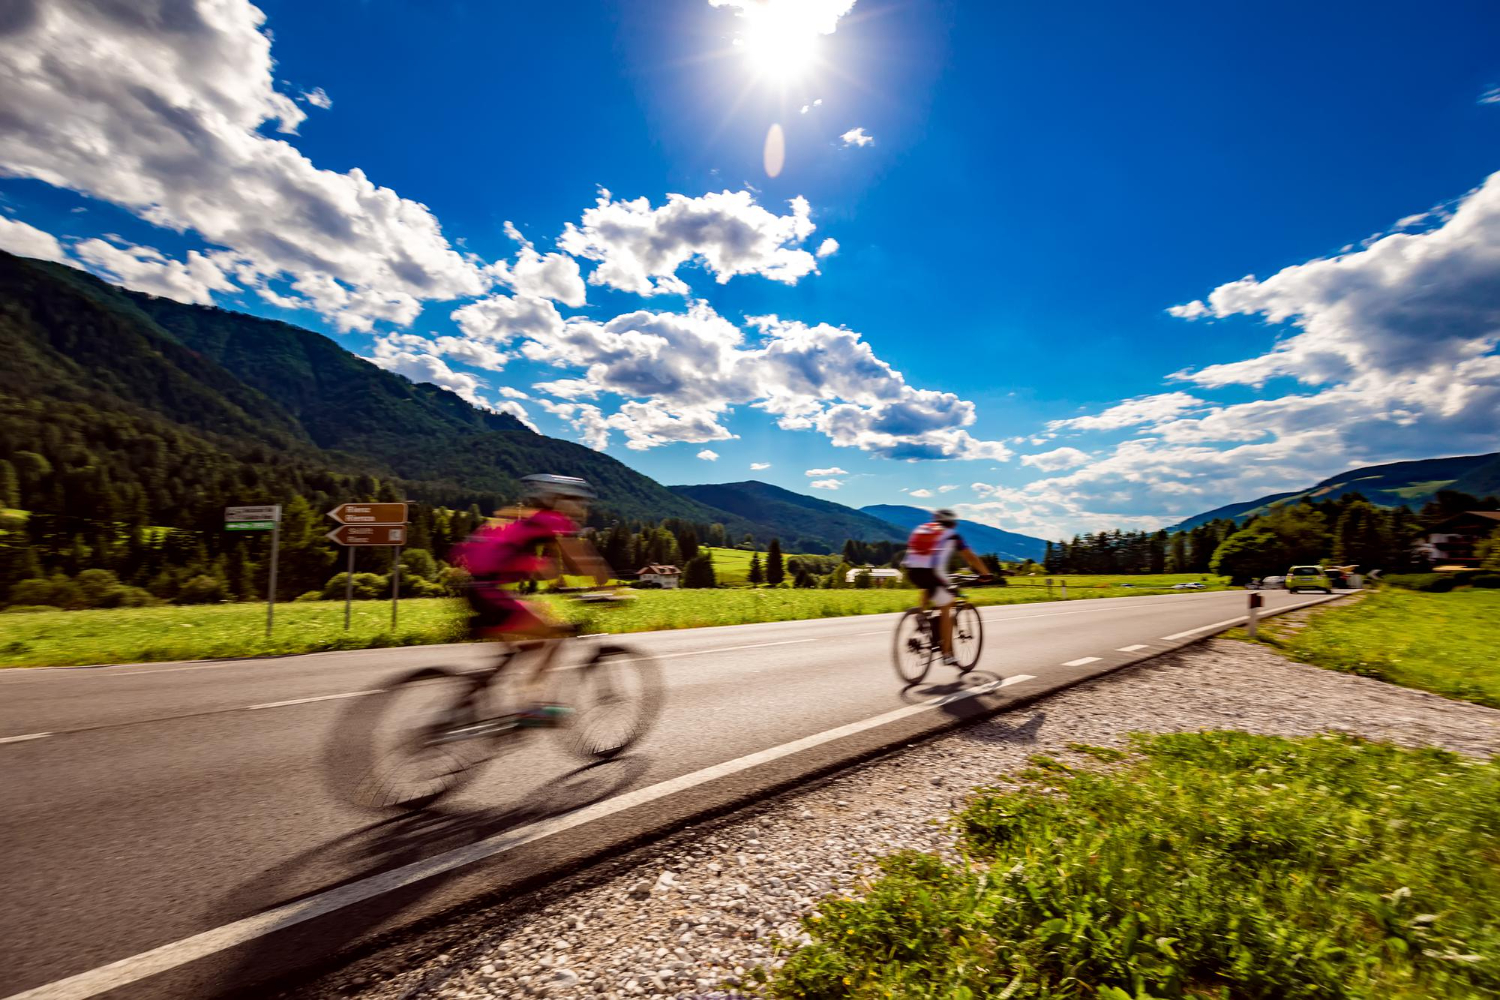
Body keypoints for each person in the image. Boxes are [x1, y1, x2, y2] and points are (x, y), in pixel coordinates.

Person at [451, 473, 615, 725]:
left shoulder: (530, 522)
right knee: (555, 635)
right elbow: (581, 559)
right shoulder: (551, 520)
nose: (581, 508)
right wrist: (611, 587)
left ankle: (472, 697)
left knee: (530, 643)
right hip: (489, 592)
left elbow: (542, 567)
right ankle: (530, 706)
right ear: (560, 500)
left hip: (479, 589)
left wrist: (555, 577)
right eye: (577, 501)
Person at [900, 508, 990, 665]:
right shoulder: (952, 535)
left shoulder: (922, 529)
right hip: (932, 572)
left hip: (911, 570)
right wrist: (985, 574)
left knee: (928, 588)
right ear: (953, 523)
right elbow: (970, 557)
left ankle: (921, 616)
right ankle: (947, 654)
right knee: (947, 605)